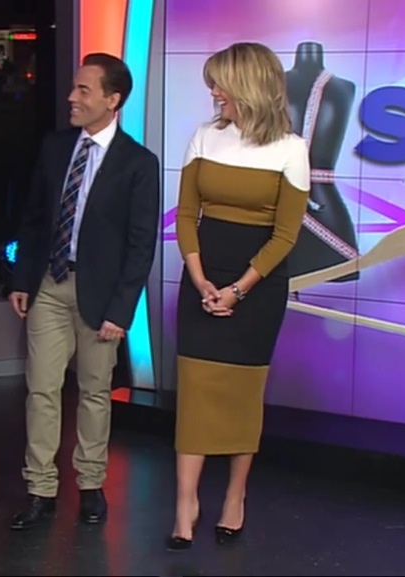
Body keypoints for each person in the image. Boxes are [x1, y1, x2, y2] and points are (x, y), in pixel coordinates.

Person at [7, 53, 160, 530]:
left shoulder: (138, 163)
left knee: (94, 392)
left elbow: (141, 245)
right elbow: (33, 219)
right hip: (50, 285)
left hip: (102, 297)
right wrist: (22, 279)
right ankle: (40, 490)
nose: (72, 97)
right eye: (74, 88)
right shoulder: (55, 147)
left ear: (113, 100)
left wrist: (122, 310)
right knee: (42, 389)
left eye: (83, 90)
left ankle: (91, 484)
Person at [168, 42, 311, 550]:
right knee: (195, 390)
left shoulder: (291, 148)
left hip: (258, 286)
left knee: (240, 395)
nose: (213, 93)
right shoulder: (204, 137)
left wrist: (238, 289)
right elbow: (187, 215)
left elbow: (286, 235)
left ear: (249, 85)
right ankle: (185, 504)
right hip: (202, 277)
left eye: (220, 84)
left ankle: (234, 497)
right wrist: (199, 277)